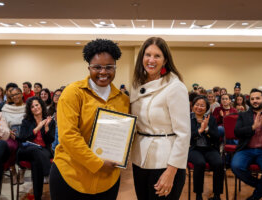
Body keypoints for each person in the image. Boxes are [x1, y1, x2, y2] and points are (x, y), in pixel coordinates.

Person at [49, 39, 130, 200]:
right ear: (89, 68)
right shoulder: (73, 93)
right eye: (97, 67)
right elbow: (68, 136)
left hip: (107, 180)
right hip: (70, 177)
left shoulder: (123, 99)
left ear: (115, 67)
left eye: (109, 67)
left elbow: (124, 134)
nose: (103, 72)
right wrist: (97, 162)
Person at [130, 37, 190, 200]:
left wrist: (171, 171)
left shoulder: (175, 87)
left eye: (157, 56)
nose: (151, 60)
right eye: (147, 54)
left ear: (165, 61)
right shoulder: (136, 85)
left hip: (165, 162)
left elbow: (184, 134)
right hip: (139, 159)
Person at [231, 88, 262, 200]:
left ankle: (254, 197)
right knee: (236, 166)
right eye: (252, 99)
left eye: (257, 98)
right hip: (246, 150)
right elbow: (237, 132)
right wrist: (252, 127)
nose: (254, 101)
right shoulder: (243, 115)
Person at [17, 96, 55, 200]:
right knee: (35, 150)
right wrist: (37, 128)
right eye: (32, 106)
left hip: (43, 150)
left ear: (41, 106)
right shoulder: (26, 121)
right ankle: (49, 172)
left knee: (36, 161)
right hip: (26, 149)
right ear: (30, 109)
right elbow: (22, 138)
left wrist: (46, 128)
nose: (35, 107)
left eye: (37, 105)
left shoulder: (50, 121)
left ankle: (37, 196)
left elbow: (50, 141)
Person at [189, 96, 223, 200]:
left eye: (202, 105)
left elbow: (217, 137)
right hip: (194, 149)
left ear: (206, 107)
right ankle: (198, 195)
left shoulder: (211, 119)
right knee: (200, 163)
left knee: (219, 163)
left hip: (210, 148)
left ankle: (217, 195)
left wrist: (207, 129)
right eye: (197, 105)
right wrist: (200, 130)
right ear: (193, 106)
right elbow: (187, 137)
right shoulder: (188, 119)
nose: (199, 107)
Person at [1, 87, 26, 184]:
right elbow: (3, 123)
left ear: (21, 94)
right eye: (12, 95)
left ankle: (22, 171)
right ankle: (14, 172)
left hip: (25, 133)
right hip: (12, 133)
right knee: (9, 146)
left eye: (17, 94)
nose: (15, 96)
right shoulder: (6, 108)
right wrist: (8, 131)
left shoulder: (27, 107)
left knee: (24, 147)